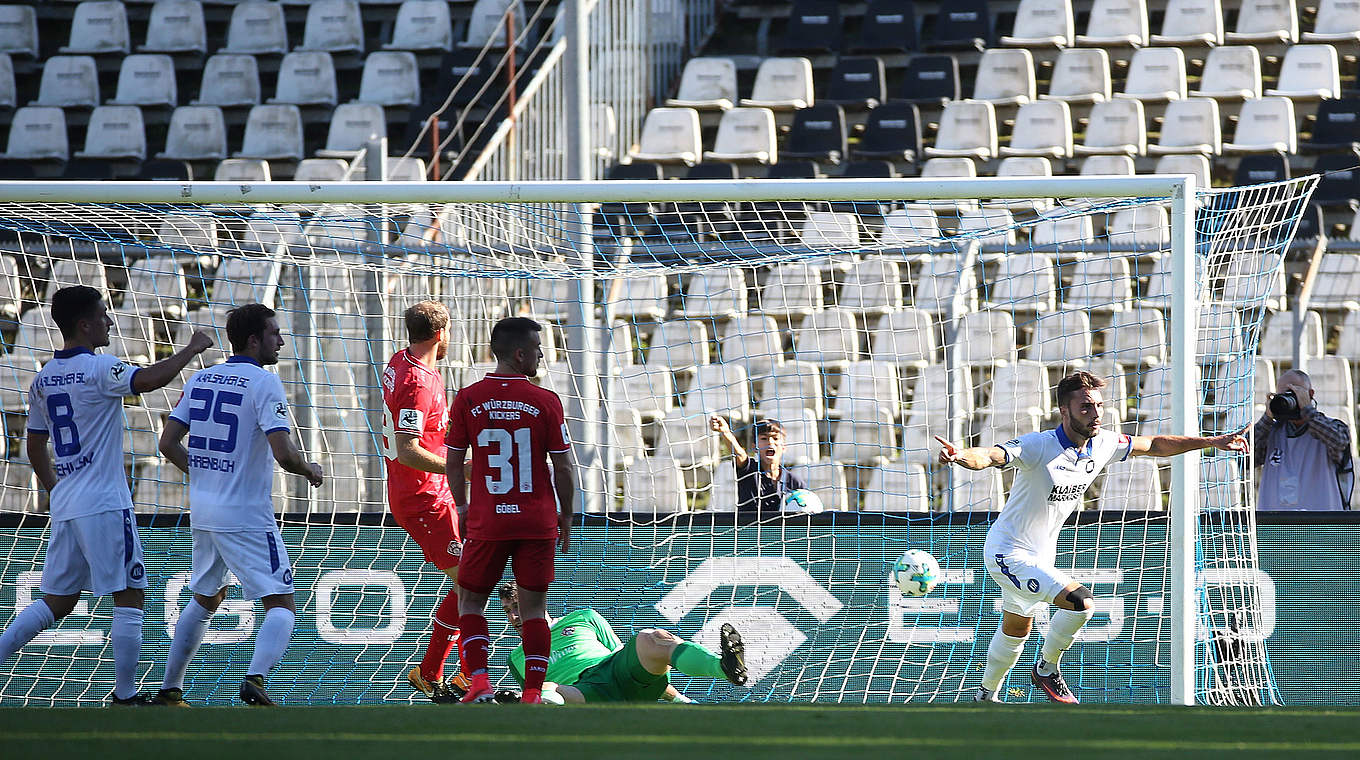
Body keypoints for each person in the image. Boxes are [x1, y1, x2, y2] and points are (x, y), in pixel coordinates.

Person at [935, 370, 1247, 704]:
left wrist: (1210, 442)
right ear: (1064, 411)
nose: (1096, 413)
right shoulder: (1038, 445)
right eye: (1085, 407)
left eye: (1098, 405)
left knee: (1017, 628)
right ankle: (1046, 669)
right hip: (1007, 553)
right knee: (1081, 603)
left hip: (1040, 556)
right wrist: (962, 456)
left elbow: (1153, 445)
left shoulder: (1104, 443)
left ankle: (985, 696)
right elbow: (992, 455)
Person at [0, 286, 213, 706]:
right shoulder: (99, 369)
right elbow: (148, 381)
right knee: (130, 593)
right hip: (104, 501)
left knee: (57, 600)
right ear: (84, 324)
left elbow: (34, 444)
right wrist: (191, 349)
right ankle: (126, 694)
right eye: (103, 315)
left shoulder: (44, 377)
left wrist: (56, 489)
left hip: (68, 503)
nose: (110, 322)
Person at [155, 303, 323, 707]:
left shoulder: (202, 378)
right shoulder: (265, 383)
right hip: (246, 513)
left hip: (205, 509)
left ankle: (170, 689)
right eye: (274, 334)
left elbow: (167, 442)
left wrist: (207, 477)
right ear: (253, 339)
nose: (281, 341)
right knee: (281, 603)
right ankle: (256, 679)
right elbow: (283, 453)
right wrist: (309, 470)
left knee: (206, 596)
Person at [446, 316, 576, 704]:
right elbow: (565, 466)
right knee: (534, 607)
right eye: (537, 350)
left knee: (470, 601)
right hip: (536, 519)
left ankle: (480, 682)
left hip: (489, 518)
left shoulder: (468, 398)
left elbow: (454, 463)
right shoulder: (546, 400)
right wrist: (566, 514)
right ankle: (533, 692)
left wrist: (463, 506)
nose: (540, 356)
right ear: (519, 354)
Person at [381, 301, 468, 703]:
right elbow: (407, 449)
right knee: (472, 582)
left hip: (430, 492)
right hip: (423, 497)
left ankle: (439, 672)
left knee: (472, 580)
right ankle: (451, 674)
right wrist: (461, 469)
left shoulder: (401, 362)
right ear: (440, 334)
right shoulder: (418, 381)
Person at [498, 583, 747, 704]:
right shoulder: (516, 658)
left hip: (615, 670)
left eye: (517, 607)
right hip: (583, 694)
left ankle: (724, 667)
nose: (513, 617)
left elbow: (621, 655)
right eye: (507, 611)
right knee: (543, 690)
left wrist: (680, 701)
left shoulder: (583, 618)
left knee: (651, 638)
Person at [1253, 369, 1354, 511]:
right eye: (1284, 395)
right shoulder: (1270, 431)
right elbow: (1245, 459)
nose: (1290, 400)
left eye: (1294, 393)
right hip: (1277, 528)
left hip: (1323, 527)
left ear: (1311, 394)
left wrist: (1308, 411)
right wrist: (1268, 417)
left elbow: (1339, 441)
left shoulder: (1333, 427)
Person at [709, 415, 806, 513]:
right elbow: (740, 454)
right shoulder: (749, 471)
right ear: (754, 447)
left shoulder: (795, 482)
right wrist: (725, 431)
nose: (770, 442)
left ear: (784, 447)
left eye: (775, 438)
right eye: (764, 438)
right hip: (750, 527)